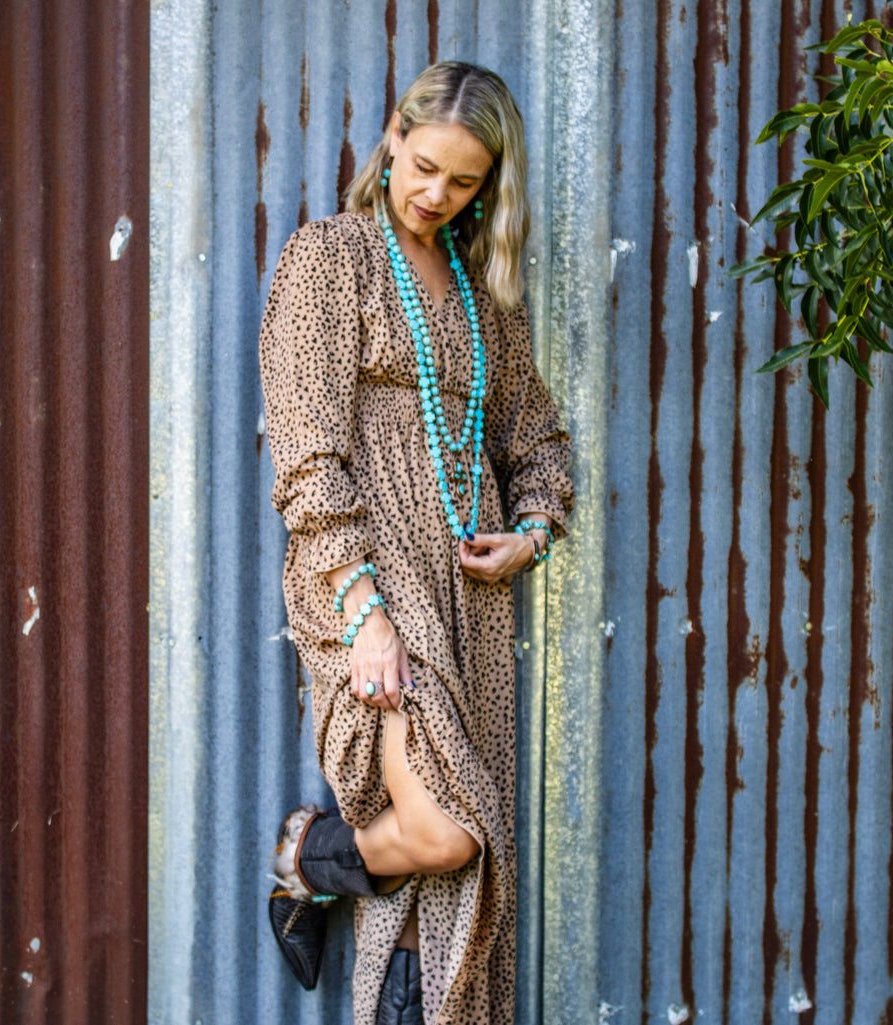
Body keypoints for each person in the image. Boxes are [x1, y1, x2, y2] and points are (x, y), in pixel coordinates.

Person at [259, 61, 574, 1025]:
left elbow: (539, 441)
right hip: (372, 583)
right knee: (444, 837)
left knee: (438, 895)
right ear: (394, 138)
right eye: (425, 165)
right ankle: (303, 855)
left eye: (465, 181)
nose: (436, 194)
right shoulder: (330, 257)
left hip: (470, 604)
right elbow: (307, 450)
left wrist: (530, 533)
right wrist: (363, 612)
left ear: (490, 186)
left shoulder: (485, 297)